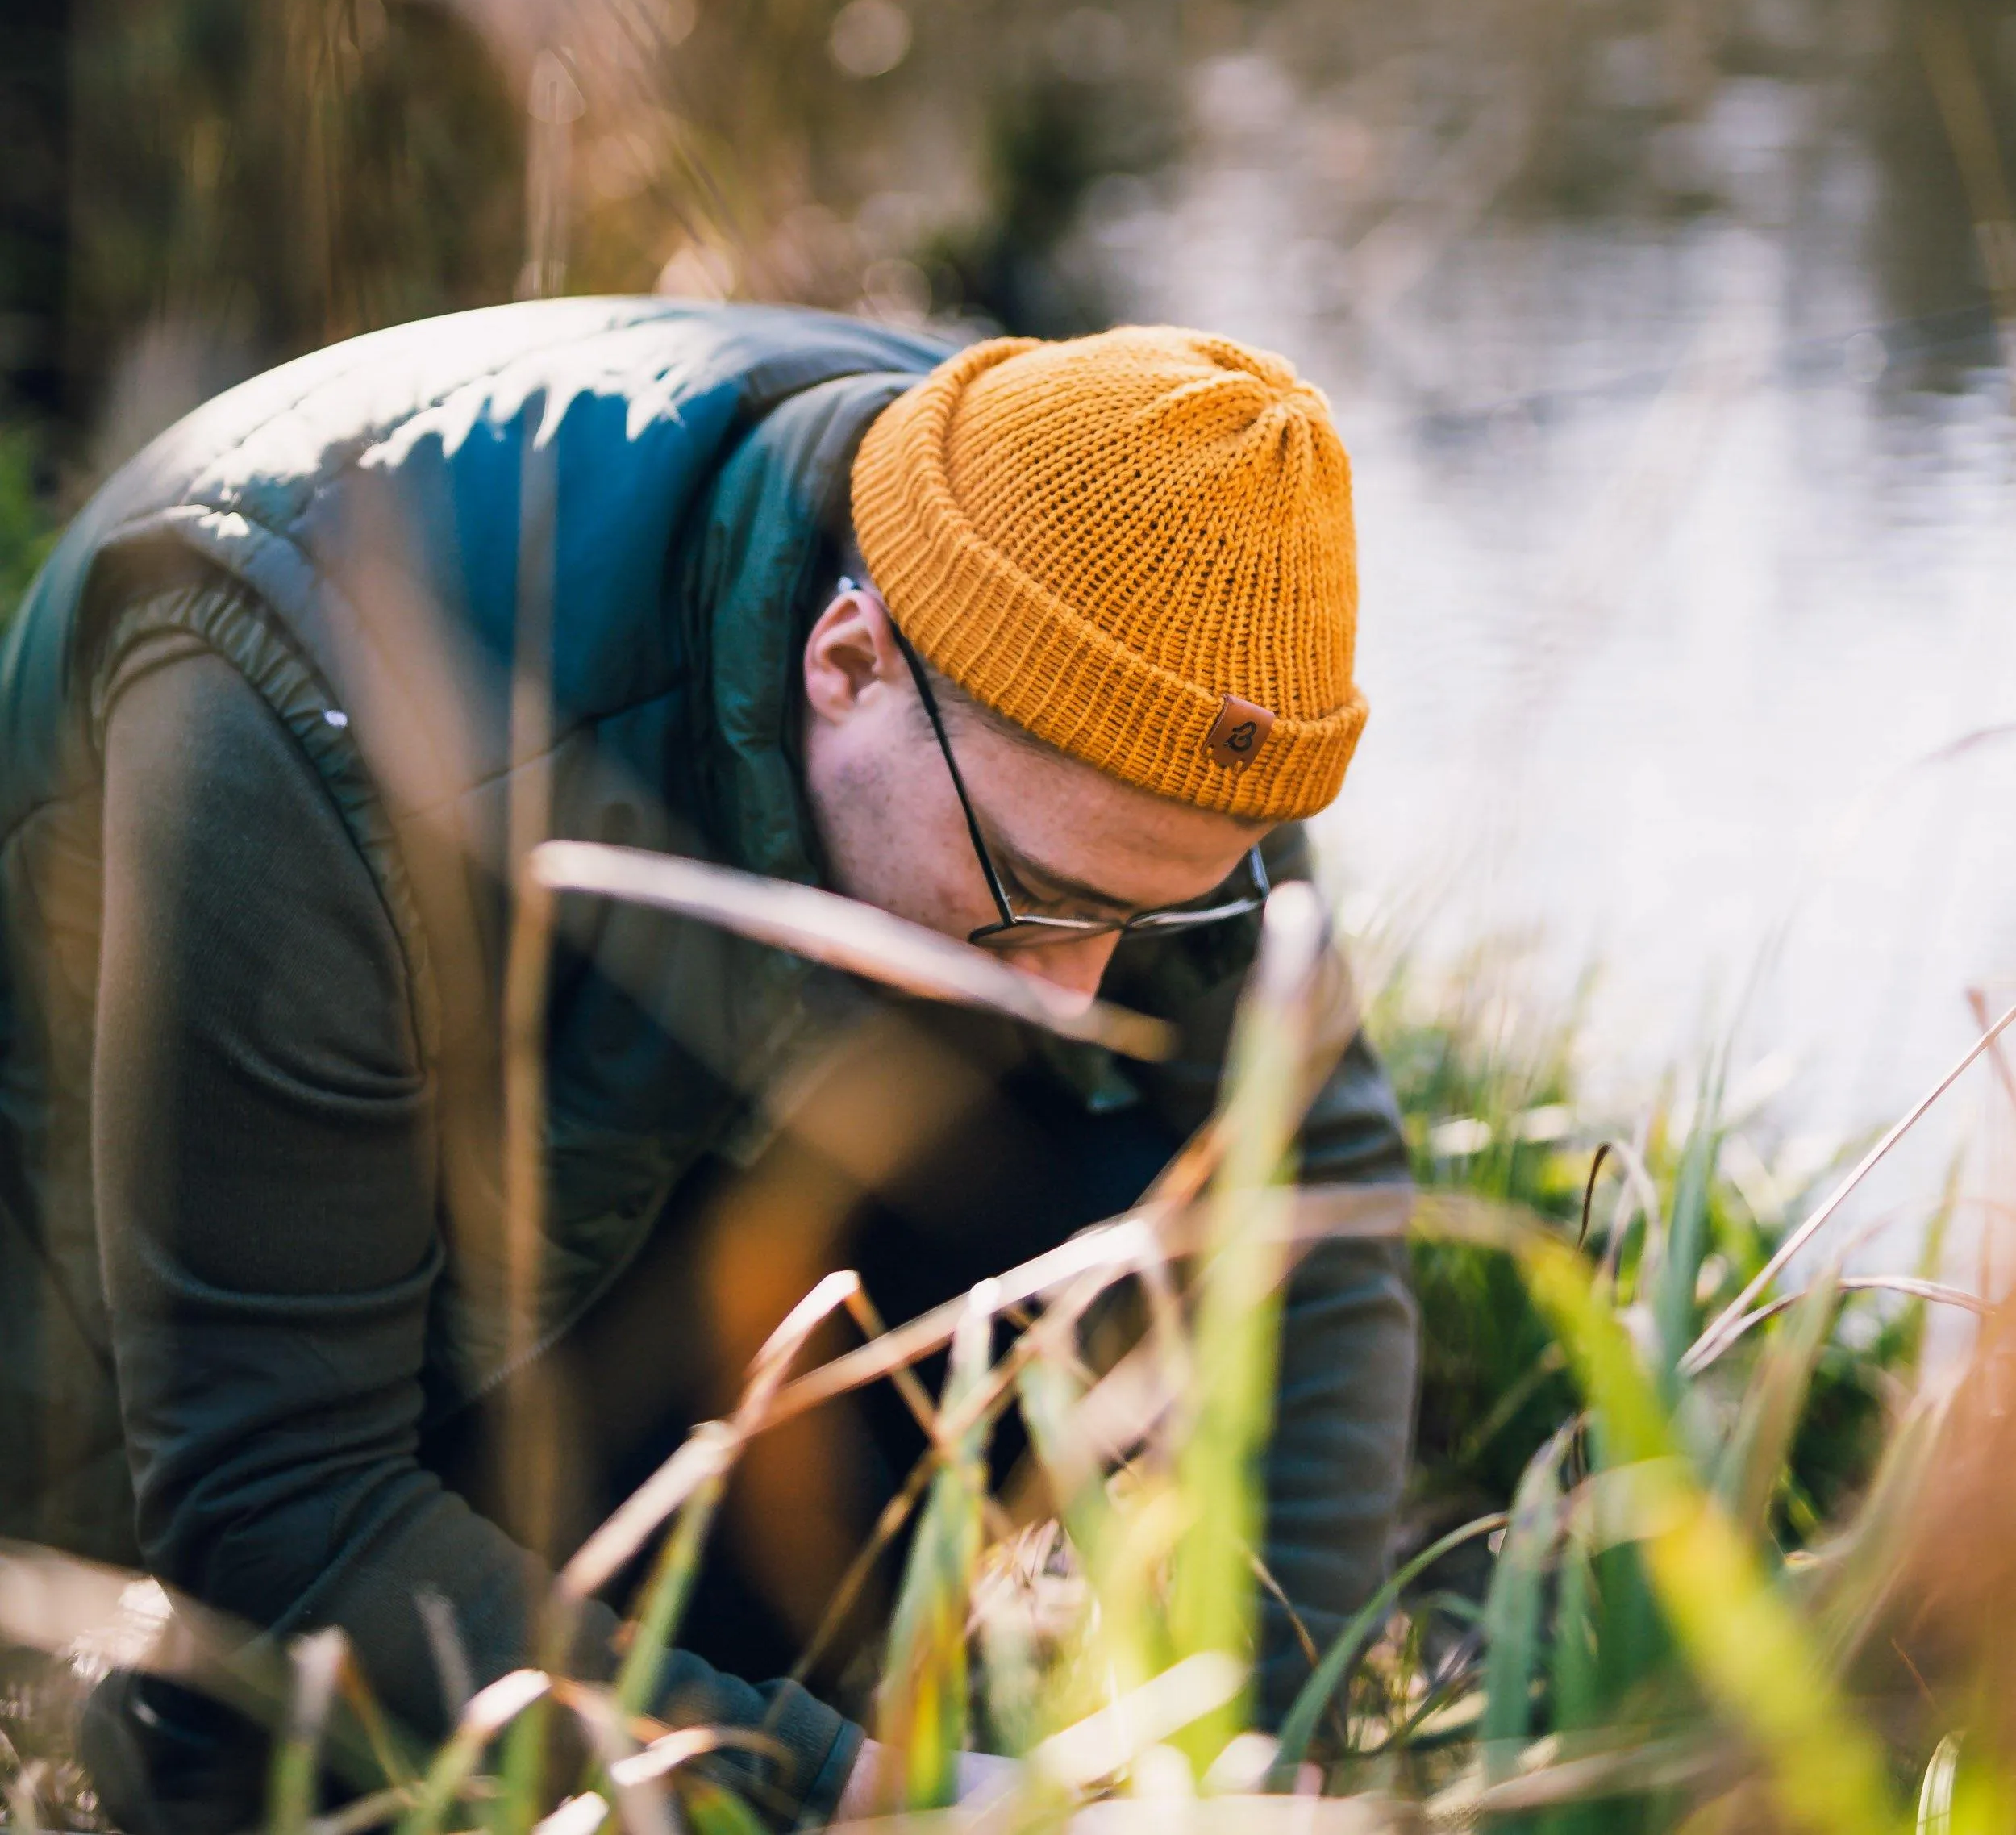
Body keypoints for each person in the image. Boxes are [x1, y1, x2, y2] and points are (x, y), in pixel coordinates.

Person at [0, 301, 1418, 1830]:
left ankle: (766, 1653)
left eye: (1147, 915)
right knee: (276, 1749)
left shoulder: (1122, 684)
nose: (1076, 990)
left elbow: (1314, 1198)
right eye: (1033, 890)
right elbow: (268, 1496)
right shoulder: (279, 722)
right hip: (189, 1337)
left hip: (644, 1178)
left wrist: (1260, 1755)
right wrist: (840, 1796)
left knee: (1124, 1154)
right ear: (849, 656)